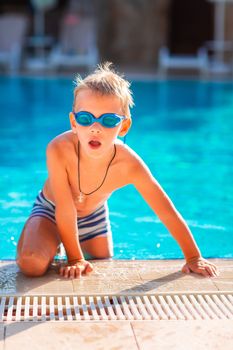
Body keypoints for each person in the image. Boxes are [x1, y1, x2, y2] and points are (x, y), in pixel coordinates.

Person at [16, 62, 219, 279]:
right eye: (86, 118)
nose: (96, 127)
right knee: (32, 263)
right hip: (52, 211)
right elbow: (64, 208)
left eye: (108, 120)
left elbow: (165, 210)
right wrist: (75, 259)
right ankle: (53, 241)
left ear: (123, 127)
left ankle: (63, 244)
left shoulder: (129, 164)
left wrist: (193, 257)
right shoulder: (59, 149)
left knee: (103, 266)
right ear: (74, 122)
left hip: (94, 216)